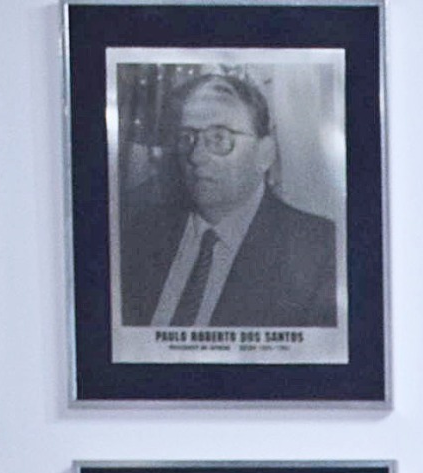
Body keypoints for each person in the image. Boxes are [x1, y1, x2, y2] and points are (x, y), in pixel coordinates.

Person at [117, 69, 341, 331]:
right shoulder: (140, 233)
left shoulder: (319, 250)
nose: (196, 156)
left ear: (265, 153)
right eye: (187, 138)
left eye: (219, 138)